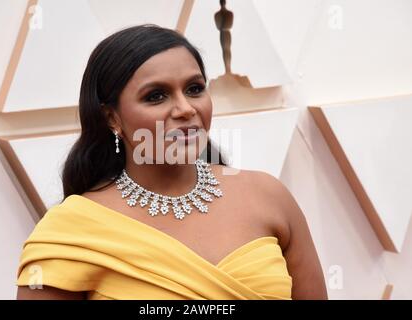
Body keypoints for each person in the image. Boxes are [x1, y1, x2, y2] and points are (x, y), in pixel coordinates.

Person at [16, 24, 327, 300]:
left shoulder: (268, 196)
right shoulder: (70, 232)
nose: (185, 109)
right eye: (156, 96)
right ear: (111, 117)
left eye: (194, 89)